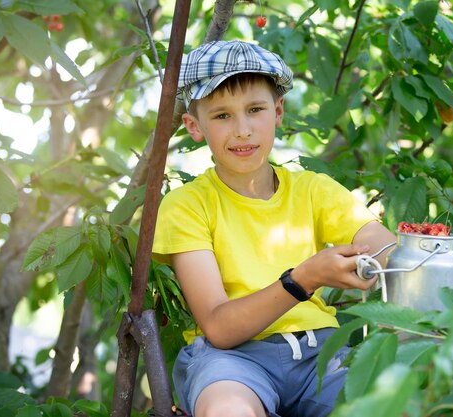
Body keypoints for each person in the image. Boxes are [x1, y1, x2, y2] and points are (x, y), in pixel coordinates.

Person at [152, 40, 397, 417]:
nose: (243, 130)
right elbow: (219, 326)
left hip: (320, 355)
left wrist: (379, 258)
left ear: (278, 111)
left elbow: (383, 247)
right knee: (227, 411)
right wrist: (304, 278)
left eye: (255, 110)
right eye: (222, 116)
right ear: (193, 126)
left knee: (394, 405)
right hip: (232, 363)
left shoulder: (314, 190)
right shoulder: (187, 205)